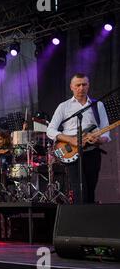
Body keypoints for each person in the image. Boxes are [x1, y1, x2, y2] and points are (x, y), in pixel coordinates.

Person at [47, 73, 111, 204]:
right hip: (70, 150)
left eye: (84, 84)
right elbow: (50, 130)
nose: (81, 88)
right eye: (78, 85)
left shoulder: (97, 105)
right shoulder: (64, 106)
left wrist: (99, 140)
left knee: (91, 188)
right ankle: (79, 219)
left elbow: (106, 132)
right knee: (78, 188)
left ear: (88, 86)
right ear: (71, 87)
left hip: (92, 150)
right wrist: (70, 140)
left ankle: (90, 220)